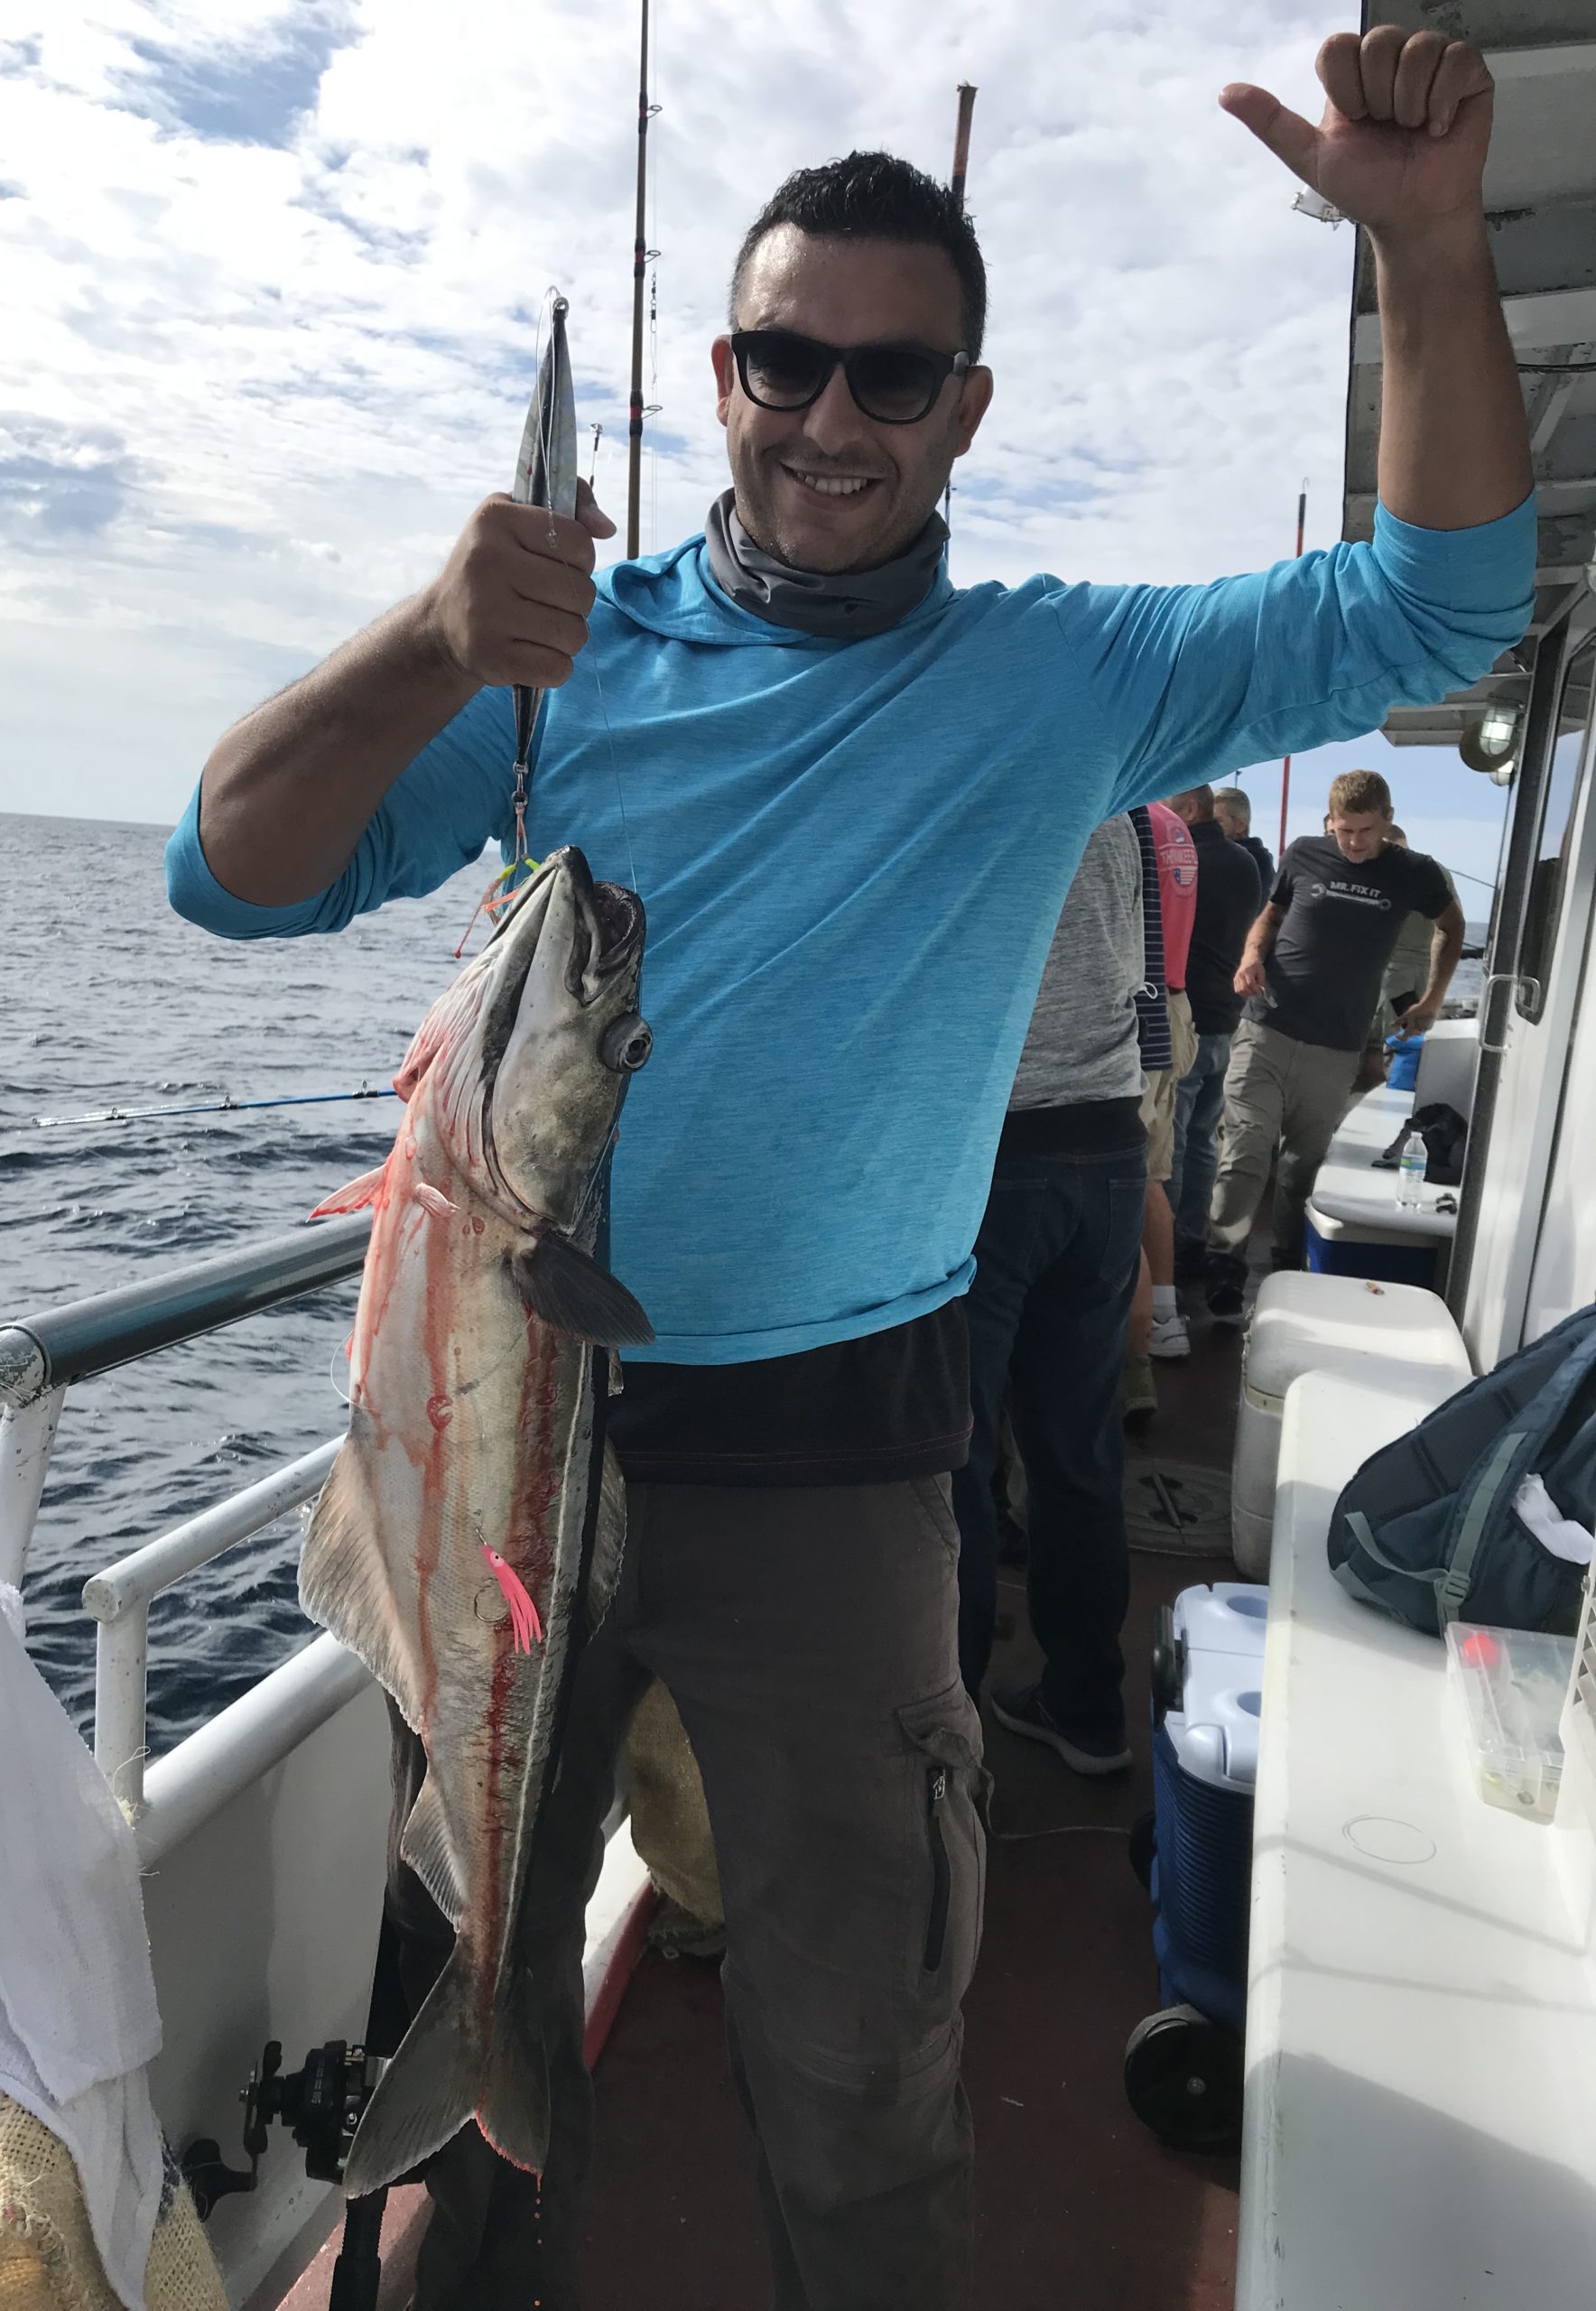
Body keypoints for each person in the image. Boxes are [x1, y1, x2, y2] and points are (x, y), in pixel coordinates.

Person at [166, 32, 1533, 2306]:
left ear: (967, 410)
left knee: (863, 2035)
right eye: (786, 356)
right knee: (458, 1970)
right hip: (506, 1447)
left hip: (842, 1463)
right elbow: (234, 874)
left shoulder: (1064, 679)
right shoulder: (548, 662)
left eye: (892, 375)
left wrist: (1423, 249)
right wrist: (425, 637)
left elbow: (1436, 608)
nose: (831, 411)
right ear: (719, 371)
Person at [953, 816, 1146, 1763]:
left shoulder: (990, 769)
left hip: (995, 1151)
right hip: (1110, 1143)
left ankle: (945, 1740)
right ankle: (1088, 1705)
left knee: (961, 1453)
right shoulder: (1126, 799)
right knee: (1077, 1452)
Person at [1203, 768, 1466, 1318]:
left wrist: (1434, 998)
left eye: (1366, 831)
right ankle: (1223, 1266)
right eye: (1345, 830)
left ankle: (1287, 1267)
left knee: (1302, 1166)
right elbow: (1269, 918)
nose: (1354, 843)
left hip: (1337, 1045)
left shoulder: (1414, 872)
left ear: (1387, 822)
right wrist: (1251, 957)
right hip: (1267, 1027)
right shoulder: (1304, 854)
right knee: (1246, 1150)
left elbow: (1454, 925)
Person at [1166, 785, 1264, 1287]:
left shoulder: (1181, 862)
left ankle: (1169, 1251)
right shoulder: (1246, 864)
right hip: (1227, 1019)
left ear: (1188, 811)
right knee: (1204, 1139)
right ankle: (1191, 1237)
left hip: (1185, 1022)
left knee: (1173, 1141)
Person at [1137, 798, 1198, 1363]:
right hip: (1173, 1005)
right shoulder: (1174, 824)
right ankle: (1163, 1310)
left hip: (1139, 1012)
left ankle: (1148, 1322)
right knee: (1152, 1171)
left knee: (1127, 1175)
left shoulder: (1133, 819)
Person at [1359, 821, 1444, 1086]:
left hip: (1394, 977)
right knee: (1407, 1045)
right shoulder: (1435, 872)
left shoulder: (1390, 873)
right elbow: (1449, 927)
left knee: (1380, 1047)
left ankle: (1383, 1100)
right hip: (1421, 977)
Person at [1213, 784, 1276, 893]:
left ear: (1240, 825)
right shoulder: (1261, 860)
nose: (1209, 826)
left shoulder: (1239, 862)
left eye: (1218, 821)